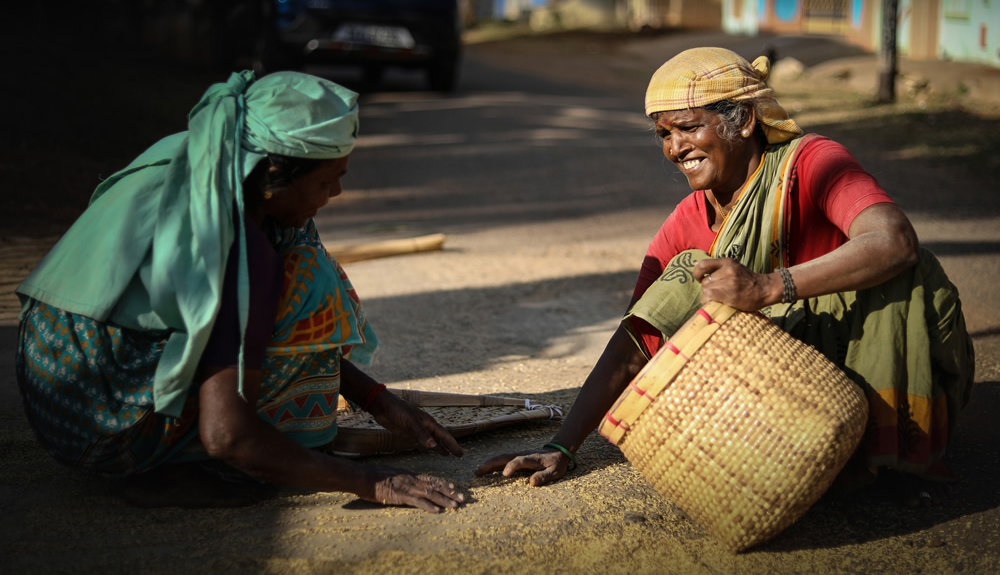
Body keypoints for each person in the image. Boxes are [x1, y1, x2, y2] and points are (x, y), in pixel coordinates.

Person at [476, 47, 975, 508]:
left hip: (852, 357)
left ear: (745, 121)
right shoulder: (688, 220)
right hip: (782, 393)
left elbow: (895, 240)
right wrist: (562, 444)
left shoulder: (811, 163)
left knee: (908, 271)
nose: (675, 148)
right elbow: (637, 342)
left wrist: (768, 288)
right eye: (663, 134)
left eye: (689, 128)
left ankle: (889, 453)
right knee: (684, 276)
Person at [15, 70, 465, 512]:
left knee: (296, 237)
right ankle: (171, 470)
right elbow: (227, 434)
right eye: (326, 182)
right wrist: (373, 482)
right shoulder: (238, 252)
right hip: (107, 431)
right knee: (309, 275)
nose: (337, 192)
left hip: (55, 382)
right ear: (272, 174)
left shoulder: (205, 156)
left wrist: (376, 399)